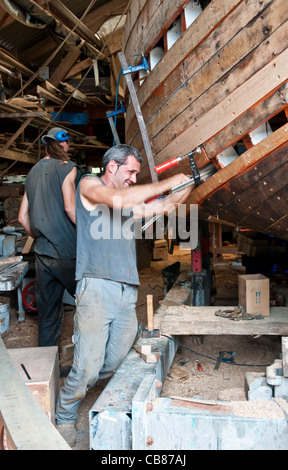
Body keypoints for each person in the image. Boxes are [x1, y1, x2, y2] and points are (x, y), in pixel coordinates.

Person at [55, 144, 193, 446]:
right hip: (97, 287)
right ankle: (65, 414)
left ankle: (80, 378)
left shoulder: (125, 204)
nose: (132, 178)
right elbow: (118, 198)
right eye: (130, 171)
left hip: (126, 289)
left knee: (115, 358)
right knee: (90, 365)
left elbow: (164, 207)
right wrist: (169, 180)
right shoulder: (90, 185)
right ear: (112, 167)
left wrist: (188, 183)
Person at [18, 127, 81, 347]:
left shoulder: (33, 172)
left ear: (46, 145)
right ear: (64, 144)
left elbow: (22, 216)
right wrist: (88, 236)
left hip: (42, 253)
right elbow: (70, 208)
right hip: (67, 251)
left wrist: (40, 237)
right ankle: (92, 367)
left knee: (48, 316)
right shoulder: (67, 168)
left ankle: (47, 371)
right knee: (89, 305)